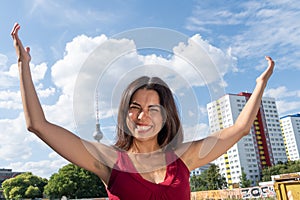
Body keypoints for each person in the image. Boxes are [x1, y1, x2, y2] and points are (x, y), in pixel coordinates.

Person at [11, 22, 275, 200]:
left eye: (153, 108)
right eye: (134, 107)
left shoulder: (184, 157)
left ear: (165, 116)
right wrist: (24, 65)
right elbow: (38, 125)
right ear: (125, 115)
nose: (142, 115)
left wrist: (259, 85)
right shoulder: (110, 161)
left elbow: (240, 129)